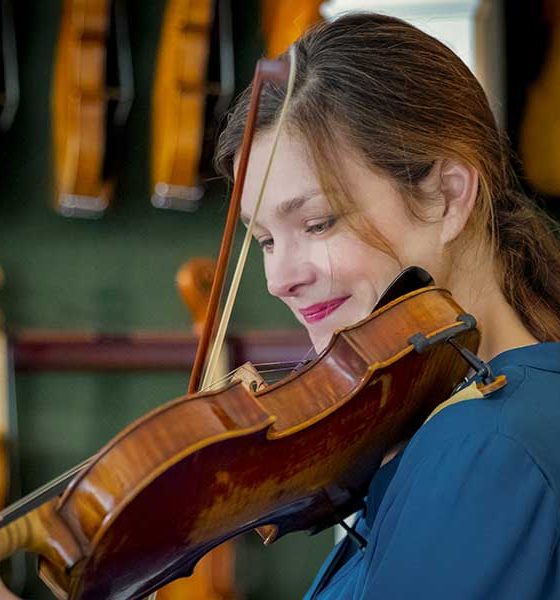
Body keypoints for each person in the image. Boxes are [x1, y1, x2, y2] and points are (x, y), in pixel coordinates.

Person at [214, 12, 560, 600]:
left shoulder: (485, 446)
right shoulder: (476, 410)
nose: (278, 278)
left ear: (447, 196)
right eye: (266, 240)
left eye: (318, 223)